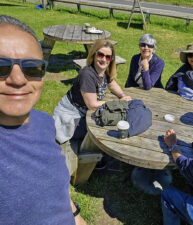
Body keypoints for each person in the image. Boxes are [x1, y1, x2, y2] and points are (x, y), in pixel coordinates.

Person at [0, 15, 85, 224]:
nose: (18, 79)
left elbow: (56, 188)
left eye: (32, 68)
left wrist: (76, 215)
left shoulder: (44, 122)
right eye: (1, 66)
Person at [53, 39, 131, 144]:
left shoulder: (104, 71)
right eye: (100, 55)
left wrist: (122, 95)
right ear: (94, 54)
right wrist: (117, 103)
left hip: (86, 112)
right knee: (102, 131)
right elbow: (93, 105)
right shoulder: (87, 74)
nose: (104, 59)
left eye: (108, 57)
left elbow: (112, 84)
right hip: (71, 116)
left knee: (110, 123)